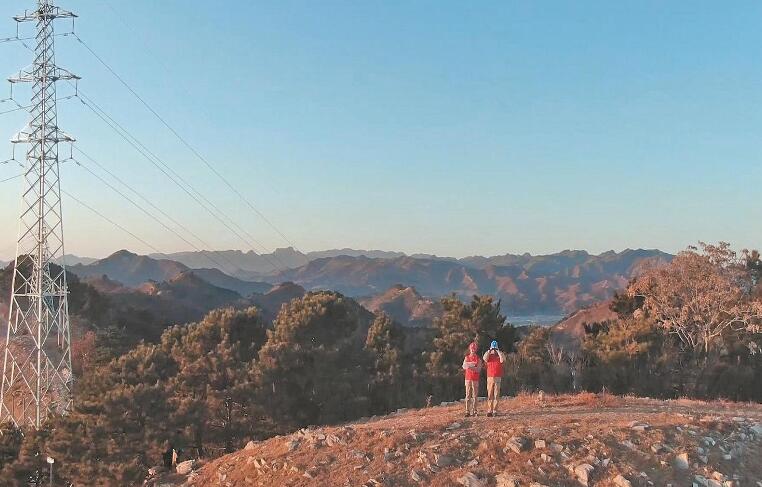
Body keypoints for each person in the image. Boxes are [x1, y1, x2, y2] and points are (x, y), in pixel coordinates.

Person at [483, 340, 506, 417]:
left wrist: (498, 351)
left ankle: (495, 410)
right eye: (493, 348)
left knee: (496, 394)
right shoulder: (488, 354)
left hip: (498, 377)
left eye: (495, 348)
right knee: (490, 394)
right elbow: (485, 359)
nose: (494, 350)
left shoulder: (500, 354)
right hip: (490, 377)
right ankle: (489, 410)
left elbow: (502, 360)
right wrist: (490, 351)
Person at [462, 342, 482, 417]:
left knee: (475, 396)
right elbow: (464, 366)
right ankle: (467, 411)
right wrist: (471, 366)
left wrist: (470, 367)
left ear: (476, 350)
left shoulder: (478, 359)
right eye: (471, 348)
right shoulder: (466, 358)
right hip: (468, 379)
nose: (473, 350)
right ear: (469, 349)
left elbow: (478, 369)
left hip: (475, 379)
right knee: (467, 396)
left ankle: (475, 411)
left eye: (474, 349)